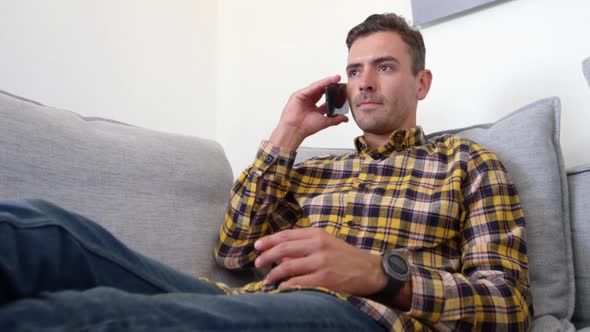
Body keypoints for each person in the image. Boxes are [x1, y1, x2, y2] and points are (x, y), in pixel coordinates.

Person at [0, 13, 532, 331]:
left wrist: (379, 275)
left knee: (96, 316)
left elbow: (509, 308)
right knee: (38, 229)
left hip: (364, 320)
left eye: (385, 67)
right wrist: (287, 134)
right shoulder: (311, 171)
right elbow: (233, 253)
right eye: (353, 70)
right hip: (252, 307)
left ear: (422, 83)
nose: (363, 82)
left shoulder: (467, 163)